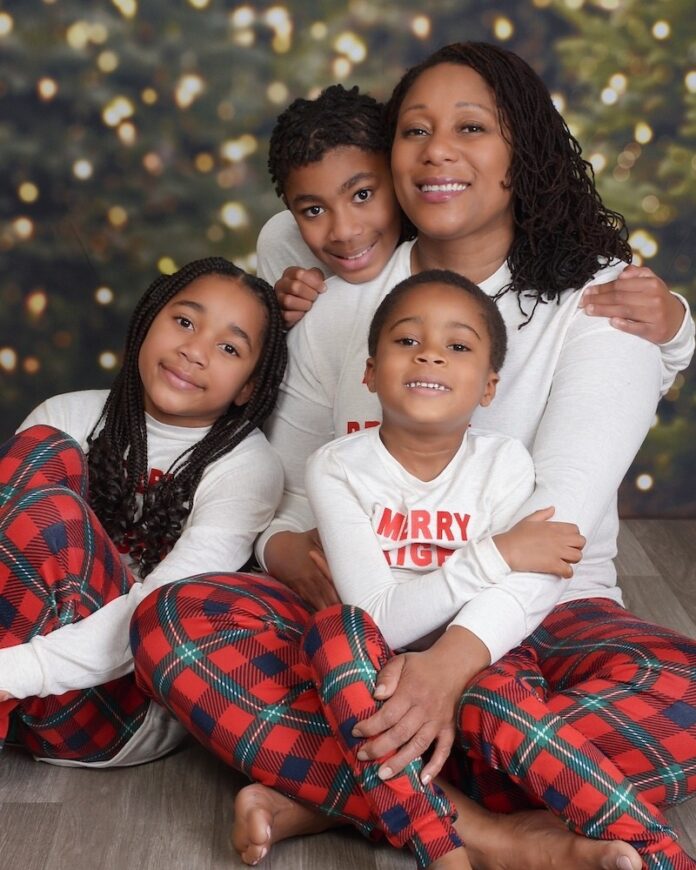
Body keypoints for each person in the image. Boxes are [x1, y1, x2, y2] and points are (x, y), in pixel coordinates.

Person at [132, 42, 696, 868]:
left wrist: (450, 669)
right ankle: (497, 826)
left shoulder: (603, 305)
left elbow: (557, 533)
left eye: (471, 127)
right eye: (414, 130)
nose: (436, 151)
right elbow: (283, 501)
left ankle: (338, 791)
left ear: (522, 155)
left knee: (674, 693)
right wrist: (287, 553)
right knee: (174, 623)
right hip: (362, 626)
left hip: (541, 623)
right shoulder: (336, 303)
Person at [0, 257, 287, 767]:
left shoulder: (247, 468)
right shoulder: (66, 414)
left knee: (58, 516)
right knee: (42, 448)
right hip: (18, 674)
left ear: (248, 386)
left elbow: (152, 622)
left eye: (228, 347)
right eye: (184, 322)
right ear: (147, 323)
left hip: (121, 705)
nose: (194, 351)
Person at [256, 83, 404, 328]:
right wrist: (279, 323)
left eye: (362, 194)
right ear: (291, 209)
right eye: (314, 210)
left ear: (397, 174)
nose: (344, 231)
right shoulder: (283, 241)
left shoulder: (439, 237)